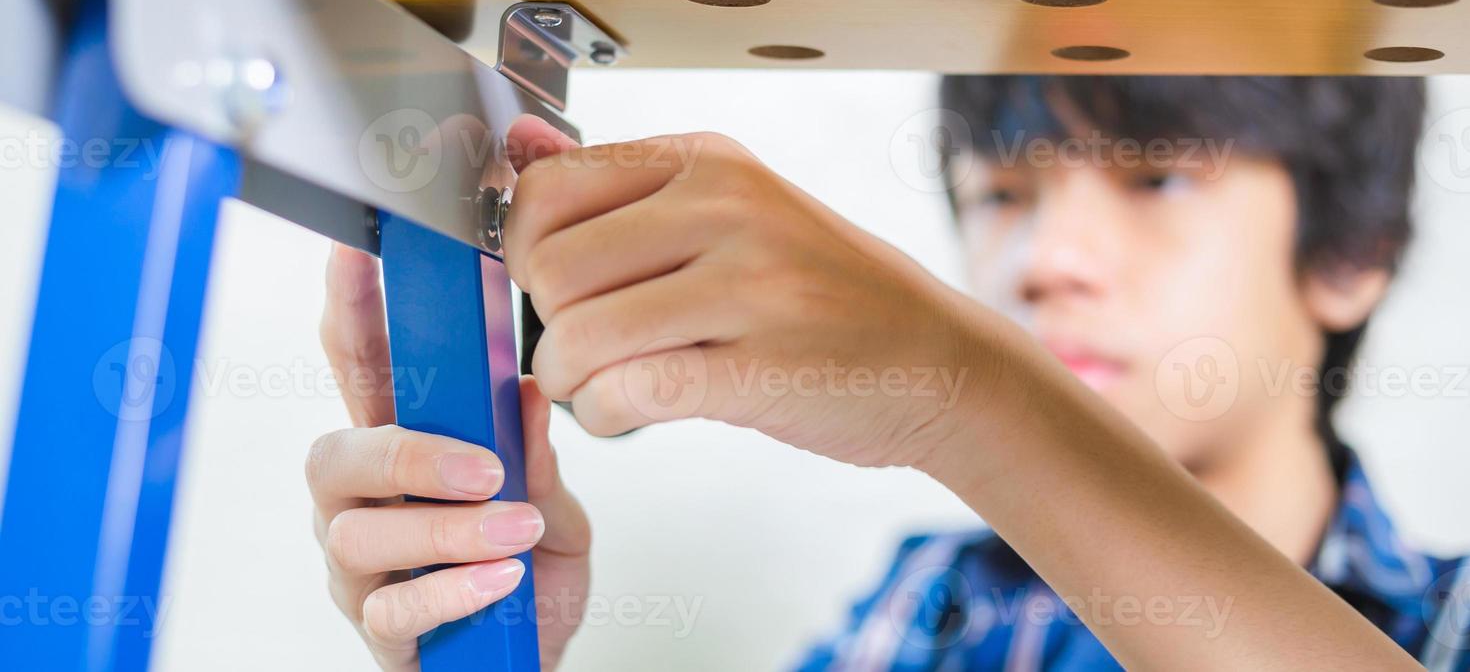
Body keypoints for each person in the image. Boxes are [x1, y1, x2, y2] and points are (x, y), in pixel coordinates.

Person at [307, 76, 1468, 671]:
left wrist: (962, 388)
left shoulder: (1447, 615)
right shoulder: (935, 612)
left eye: (1156, 178)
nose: (1049, 259)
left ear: (1356, 249)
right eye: (1003, 194)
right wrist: (495, 644)